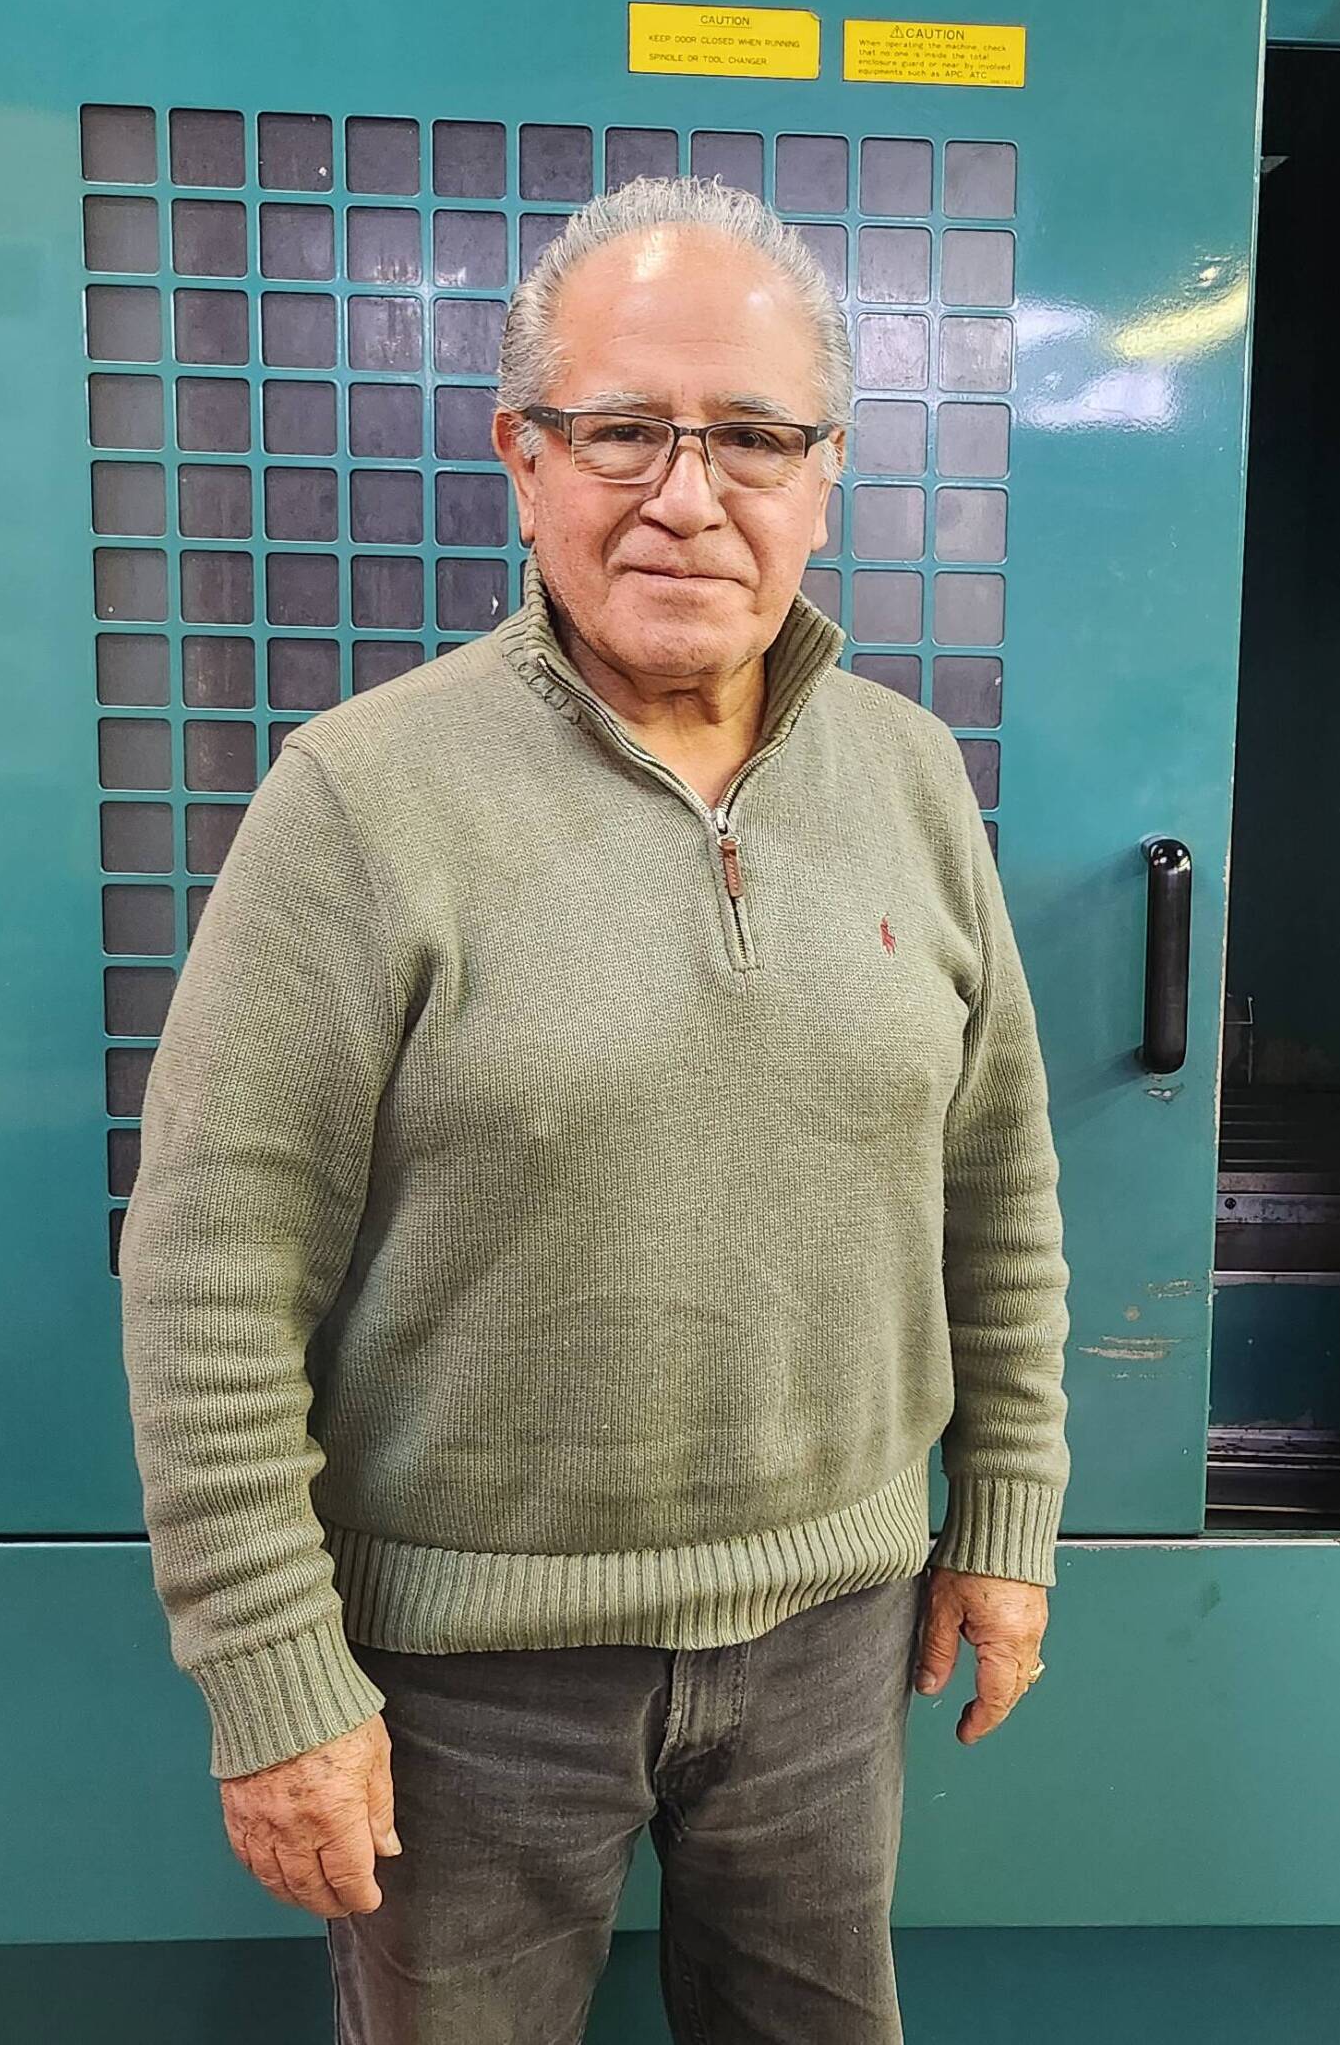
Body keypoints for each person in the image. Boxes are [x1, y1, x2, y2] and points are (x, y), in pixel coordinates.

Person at [117, 174, 1073, 2045]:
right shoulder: (362, 802)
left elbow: (999, 1187)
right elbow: (209, 1278)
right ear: (524, 460)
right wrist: (274, 1681)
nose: (687, 496)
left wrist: (1006, 1516)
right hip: (460, 1684)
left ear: (827, 474)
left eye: (754, 439)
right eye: (625, 429)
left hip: (834, 1640)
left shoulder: (908, 779)